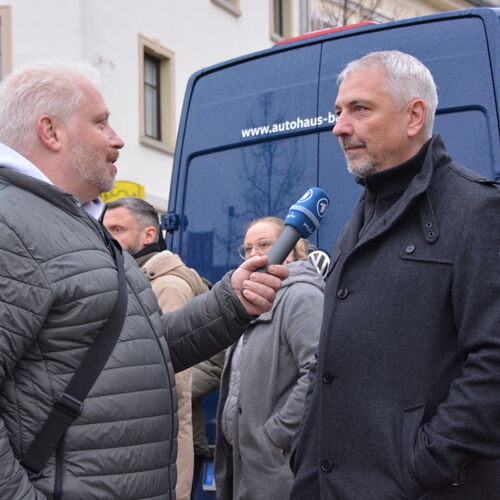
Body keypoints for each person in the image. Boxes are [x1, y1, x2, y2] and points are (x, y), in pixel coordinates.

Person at [0, 60, 287, 500]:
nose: (117, 139)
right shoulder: (12, 225)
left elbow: (138, 353)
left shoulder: (73, 221)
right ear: (50, 131)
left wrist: (231, 302)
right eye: (101, 123)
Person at [290, 50, 500, 499]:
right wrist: (304, 446)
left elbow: (492, 362)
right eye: (338, 112)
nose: (339, 127)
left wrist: (425, 463)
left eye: (359, 109)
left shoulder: (477, 210)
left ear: (414, 116)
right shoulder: (363, 213)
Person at [103, 196, 207, 500]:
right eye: (104, 229)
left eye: (117, 229)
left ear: (149, 235)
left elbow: (169, 381)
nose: (107, 238)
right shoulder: (128, 279)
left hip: (157, 452)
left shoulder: (167, 286)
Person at [215, 216, 325, 500]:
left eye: (264, 245)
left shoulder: (301, 296)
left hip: (275, 462)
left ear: (291, 249)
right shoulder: (252, 299)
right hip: (243, 460)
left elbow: (318, 372)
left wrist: (278, 434)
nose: (253, 254)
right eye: (247, 248)